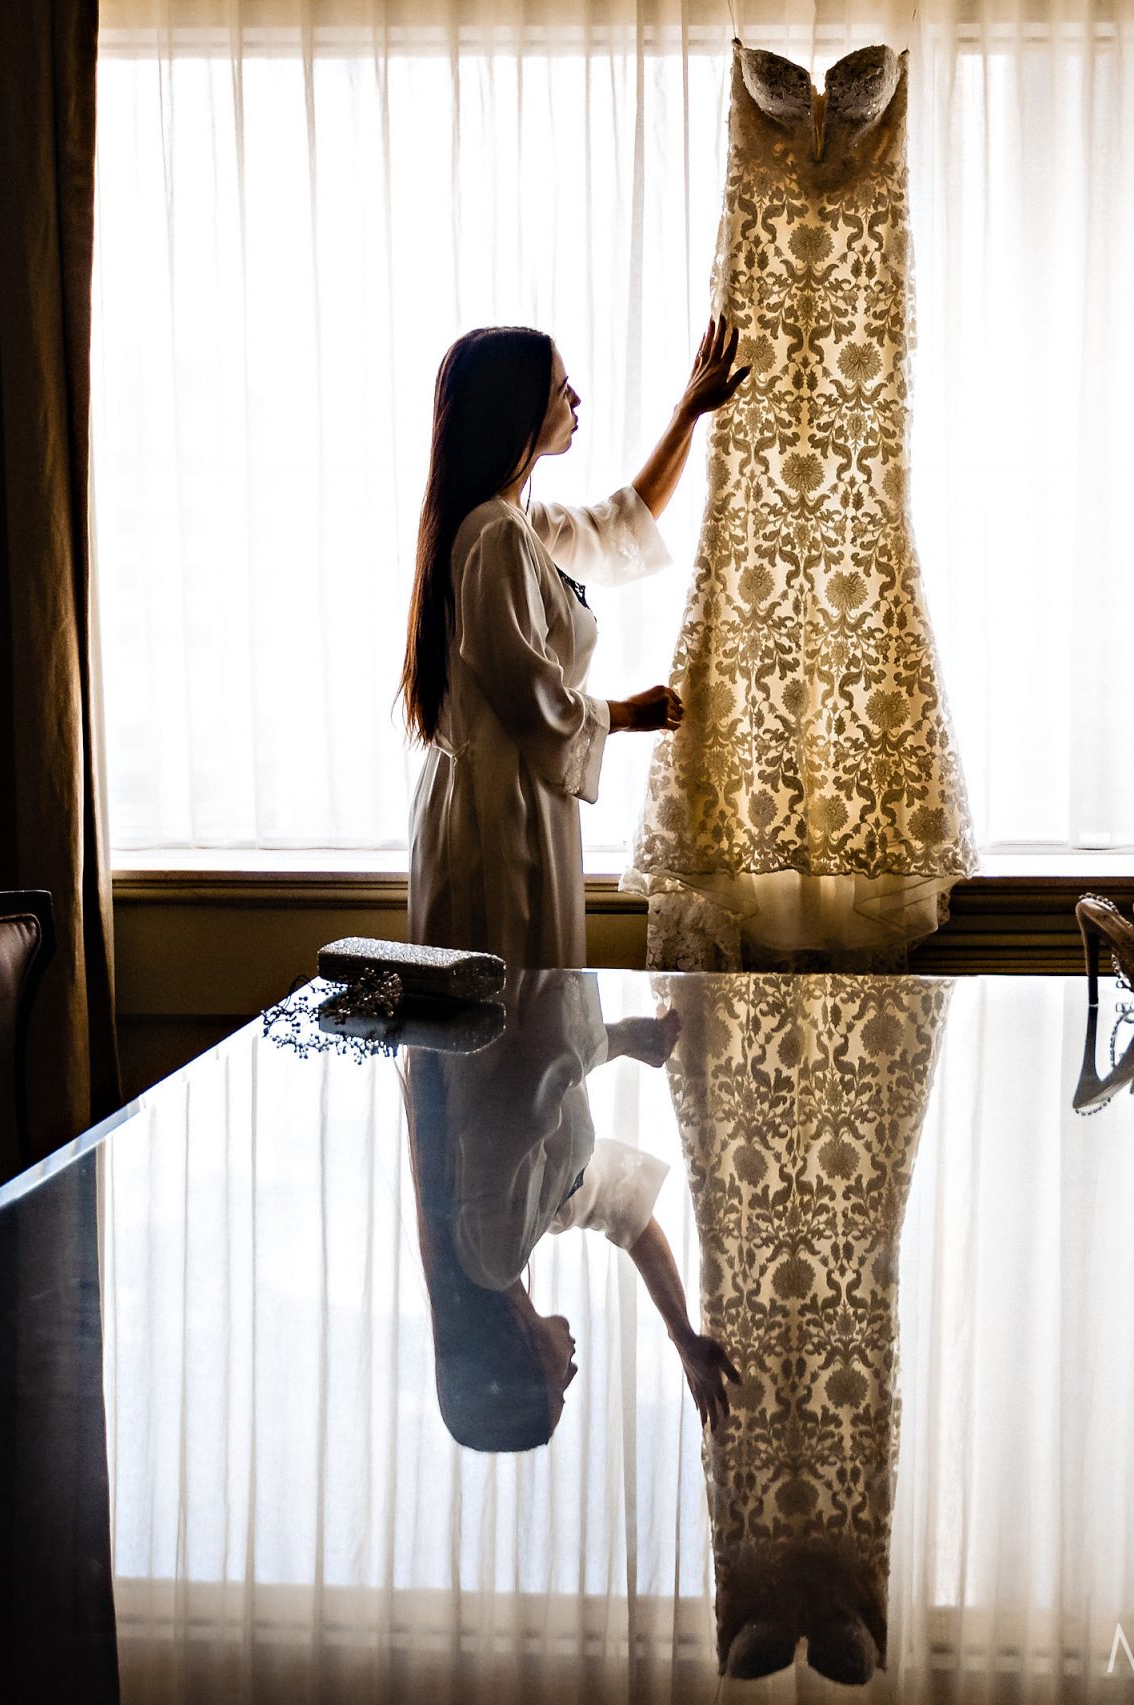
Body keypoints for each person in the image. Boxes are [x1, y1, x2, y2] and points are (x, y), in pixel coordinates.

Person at [401, 322, 748, 967]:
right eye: (563, 389)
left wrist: (687, 415)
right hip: (498, 814)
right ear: (521, 410)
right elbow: (528, 696)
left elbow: (620, 523)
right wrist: (625, 714)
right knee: (508, 1009)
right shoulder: (494, 534)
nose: (577, 400)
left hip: (500, 797)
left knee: (512, 1015)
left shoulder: (514, 523)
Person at [404, 971, 739, 1451]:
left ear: (518, 1376)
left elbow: (542, 1072)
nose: (572, 1372)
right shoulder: (512, 1235)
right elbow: (625, 1209)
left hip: (516, 964)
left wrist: (625, 1039)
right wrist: (682, 1335)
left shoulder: (494, 1253)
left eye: (558, 1389)